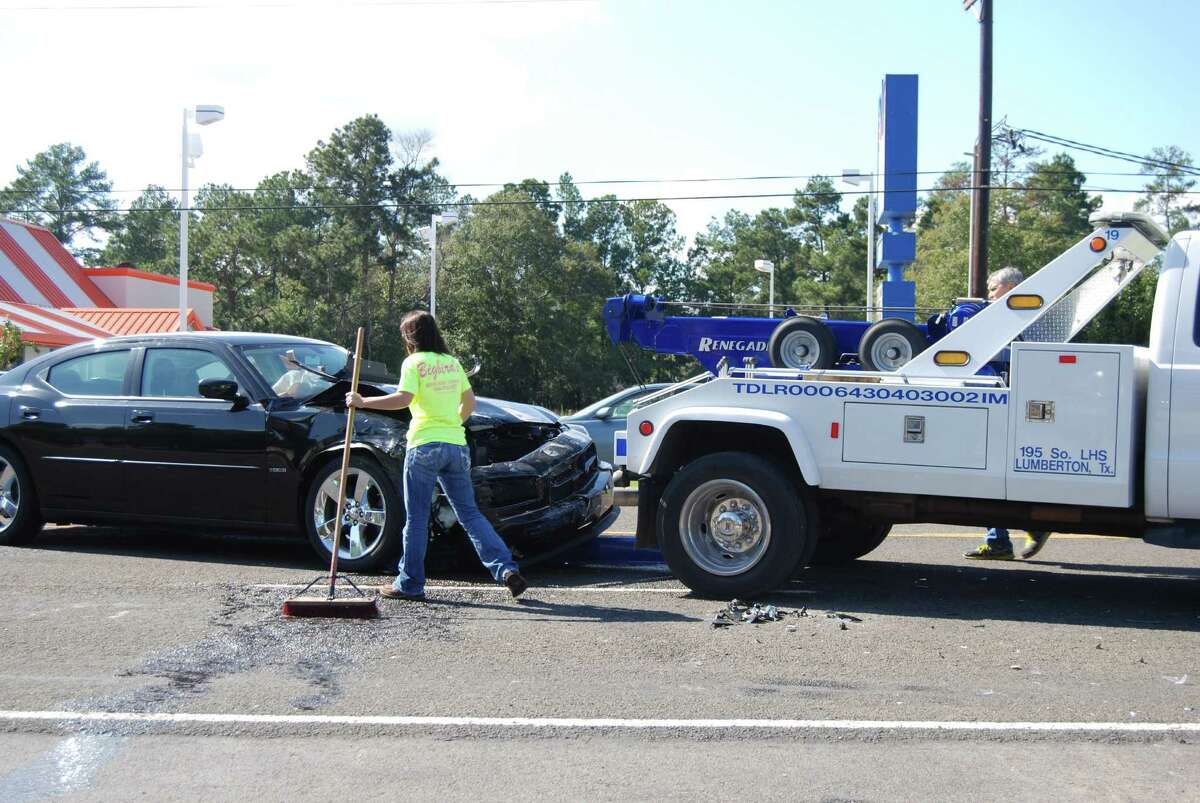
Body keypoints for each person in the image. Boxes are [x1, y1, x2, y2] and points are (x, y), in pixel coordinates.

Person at [346, 311, 528, 600]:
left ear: (409, 337)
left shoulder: (413, 363)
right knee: (469, 514)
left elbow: (403, 399)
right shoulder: (452, 363)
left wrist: (362, 401)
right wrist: (453, 422)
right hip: (456, 445)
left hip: (424, 445)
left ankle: (410, 583)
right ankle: (505, 569)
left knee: (417, 518)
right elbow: (469, 402)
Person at [964, 266, 1052, 561]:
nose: (989, 295)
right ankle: (1011, 534)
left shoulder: (1020, 316)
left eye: (993, 288)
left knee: (993, 469)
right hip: (1015, 401)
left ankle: (1009, 536)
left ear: (1011, 286)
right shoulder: (1024, 314)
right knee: (1000, 470)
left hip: (1013, 403)